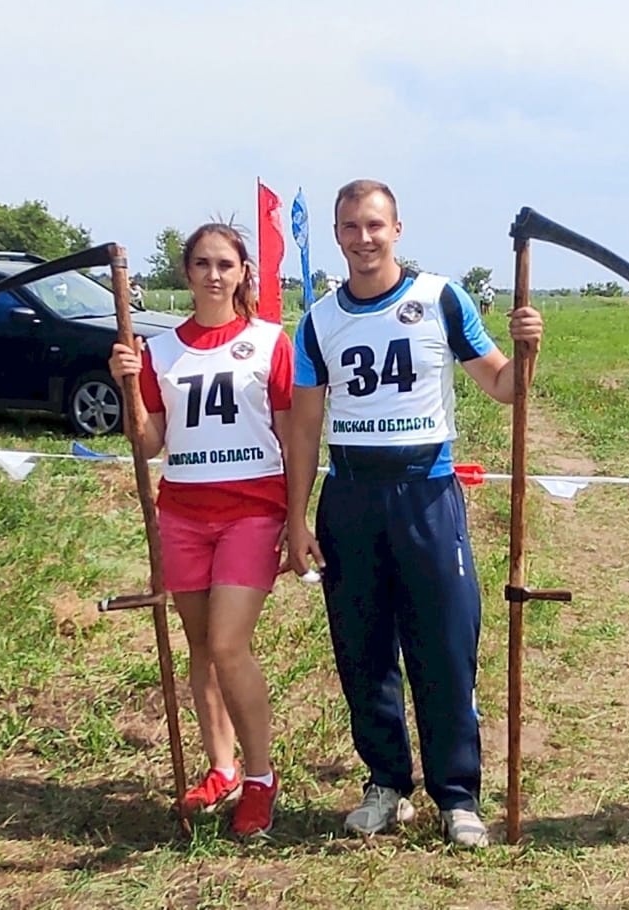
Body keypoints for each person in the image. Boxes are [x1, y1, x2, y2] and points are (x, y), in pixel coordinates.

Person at [285, 180, 545, 848]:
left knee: (445, 645)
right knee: (362, 649)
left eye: (374, 225)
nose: (363, 238)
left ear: (397, 228)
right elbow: (306, 430)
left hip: (427, 493)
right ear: (338, 236)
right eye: (350, 227)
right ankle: (386, 784)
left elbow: (502, 386)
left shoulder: (439, 298)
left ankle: (457, 795)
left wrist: (528, 352)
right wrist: (297, 517)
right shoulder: (318, 322)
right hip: (351, 497)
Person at [108, 223, 293, 837]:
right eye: (202, 263)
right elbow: (149, 440)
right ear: (186, 272)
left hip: (251, 508)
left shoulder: (270, 342)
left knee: (227, 643)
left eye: (226, 264)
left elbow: (294, 432)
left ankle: (262, 778)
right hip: (182, 512)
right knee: (200, 646)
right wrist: (129, 386)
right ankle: (223, 766)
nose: (214, 274)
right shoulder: (159, 351)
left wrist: (298, 516)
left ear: (243, 273)